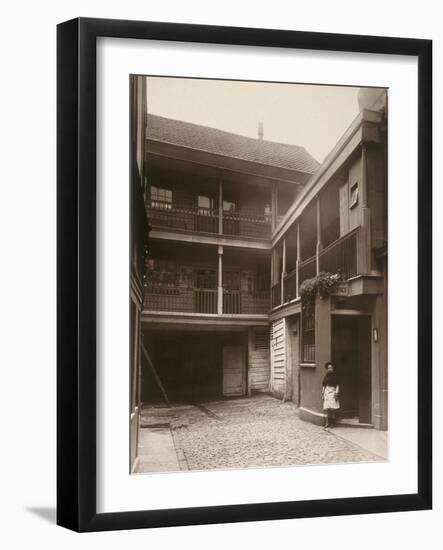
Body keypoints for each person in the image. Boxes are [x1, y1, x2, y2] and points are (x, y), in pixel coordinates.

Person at [322, 361, 340, 428]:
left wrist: (336, 393)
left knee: (333, 409)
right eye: (328, 368)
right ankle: (328, 423)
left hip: (333, 393)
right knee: (328, 409)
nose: (330, 369)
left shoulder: (336, 376)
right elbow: (324, 385)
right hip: (327, 393)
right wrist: (323, 393)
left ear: (333, 369)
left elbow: (337, 385)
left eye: (331, 368)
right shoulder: (326, 376)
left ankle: (333, 423)